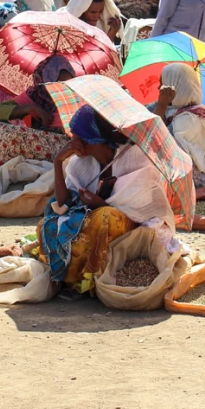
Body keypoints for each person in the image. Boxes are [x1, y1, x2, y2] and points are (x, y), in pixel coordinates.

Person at [35, 105, 175, 292]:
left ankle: (90, 280)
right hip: (95, 224)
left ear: (90, 139)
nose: (71, 140)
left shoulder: (136, 158)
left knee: (106, 217)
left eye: (76, 136)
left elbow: (139, 212)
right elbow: (62, 204)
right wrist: (58, 162)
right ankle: (69, 277)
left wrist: (98, 204)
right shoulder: (80, 163)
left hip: (135, 231)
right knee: (46, 223)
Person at [0, 55, 76, 178]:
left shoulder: (77, 95)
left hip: (63, 152)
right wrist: (29, 108)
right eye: (58, 82)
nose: (63, 87)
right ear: (46, 79)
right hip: (34, 150)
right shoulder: (36, 94)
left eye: (68, 82)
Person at [150, 62, 205, 190]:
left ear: (177, 88)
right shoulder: (173, 109)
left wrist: (161, 106)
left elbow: (156, 141)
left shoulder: (191, 118)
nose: (159, 89)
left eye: (163, 86)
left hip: (200, 182)